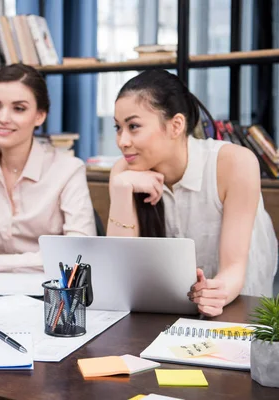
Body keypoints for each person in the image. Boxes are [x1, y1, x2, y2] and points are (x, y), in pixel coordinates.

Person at [107, 69, 277, 316]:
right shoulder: (124, 173)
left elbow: (235, 270)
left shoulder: (234, 163)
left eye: (133, 126)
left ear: (176, 125)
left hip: (237, 300)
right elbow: (118, 274)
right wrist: (122, 190)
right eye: (118, 128)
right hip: (168, 306)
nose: (122, 141)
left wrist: (216, 293)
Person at [0, 63, 96, 275]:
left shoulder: (68, 170)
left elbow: (79, 254)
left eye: (19, 108)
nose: (3, 118)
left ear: (39, 116)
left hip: (54, 296)